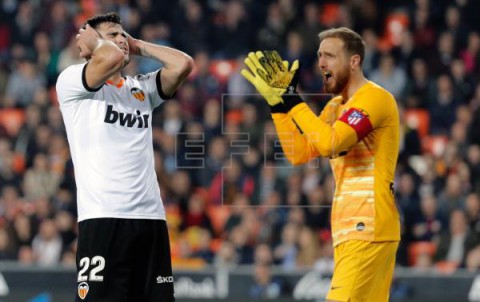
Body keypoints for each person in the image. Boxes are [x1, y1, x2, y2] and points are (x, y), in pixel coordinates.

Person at [241, 27, 400, 302]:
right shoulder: (336, 106)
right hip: (355, 230)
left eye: (329, 56)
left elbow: (330, 142)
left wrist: (293, 98)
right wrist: (279, 106)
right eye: (319, 56)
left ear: (354, 61)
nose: (321, 63)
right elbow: (299, 152)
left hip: (366, 227)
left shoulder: (375, 98)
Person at [56, 12, 194, 302]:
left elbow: (183, 64)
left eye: (123, 34)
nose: (120, 39)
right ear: (91, 42)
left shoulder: (140, 88)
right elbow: (109, 61)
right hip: (104, 219)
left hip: (151, 219)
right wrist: (97, 46)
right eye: (112, 34)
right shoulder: (71, 83)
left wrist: (138, 45)